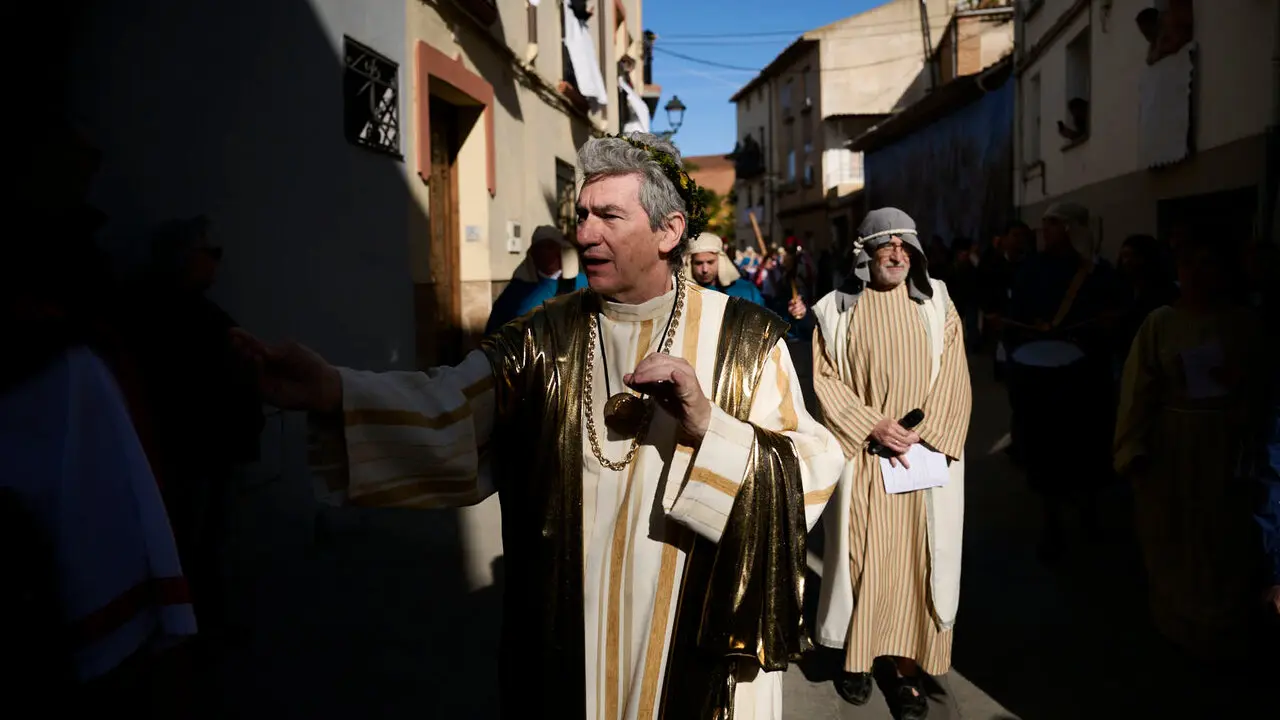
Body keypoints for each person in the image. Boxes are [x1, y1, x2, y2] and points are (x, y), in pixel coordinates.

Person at [234, 132, 845, 719]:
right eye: (582, 215)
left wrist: (710, 424)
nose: (585, 233)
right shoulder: (541, 336)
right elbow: (449, 406)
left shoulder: (746, 340)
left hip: (695, 624)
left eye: (608, 216)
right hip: (566, 620)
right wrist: (334, 390)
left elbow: (812, 466)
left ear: (669, 231)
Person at [812, 208, 972, 720]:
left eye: (906, 246)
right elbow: (824, 381)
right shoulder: (834, 312)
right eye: (888, 245)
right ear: (866, 254)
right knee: (861, 561)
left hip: (923, 461)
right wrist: (873, 426)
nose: (898, 254)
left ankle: (905, 674)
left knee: (918, 567)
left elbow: (955, 377)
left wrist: (924, 435)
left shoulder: (939, 304)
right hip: (865, 458)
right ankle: (858, 660)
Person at [1004, 201, 1121, 564]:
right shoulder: (1031, 269)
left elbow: (1114, 320)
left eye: (1053, 224)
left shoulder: (1099, 273)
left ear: (1072, 228)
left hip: (1085, 378)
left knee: (1088, 446)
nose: (1045, 231)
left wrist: (1101, 329)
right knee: (1045, 451)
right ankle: (1051, 523)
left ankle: (1090, 512)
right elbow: (1016, 316)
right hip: (1041, 380)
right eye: (1045, 224)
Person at [485, 225, 587, 334]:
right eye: (540, 248)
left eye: (550, 247)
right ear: (533, 254)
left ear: (561, 251)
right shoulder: (516, 292)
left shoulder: (583, 283)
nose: (545, 253)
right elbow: (495, 330)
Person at [685, 231, 765, 305]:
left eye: (710, 262)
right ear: (690, 263)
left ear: (720, 260)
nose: (705, 269)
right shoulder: (682, 294)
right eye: (698, 263)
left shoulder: (748, 291)